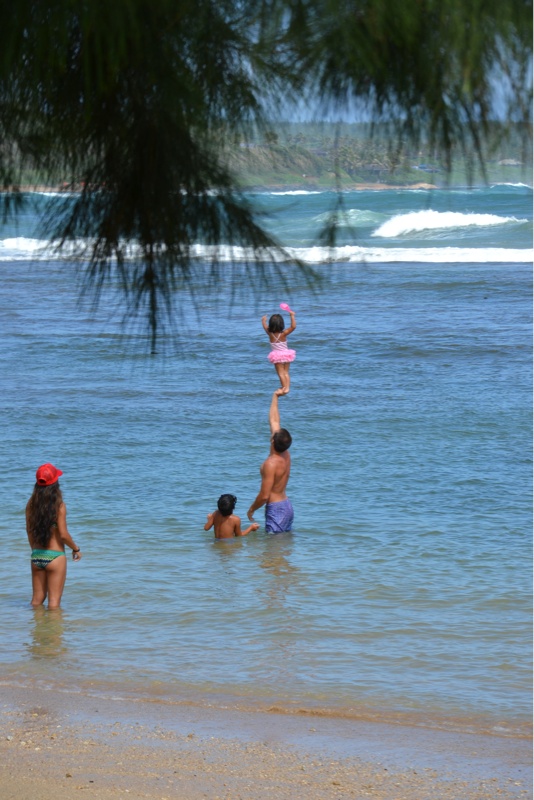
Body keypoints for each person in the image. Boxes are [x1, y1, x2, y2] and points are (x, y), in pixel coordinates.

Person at [25, 463, 82, 608]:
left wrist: (35, 551)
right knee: (54, 603)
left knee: (37, 600)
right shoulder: (59, 506)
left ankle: (34, 623)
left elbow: (29, 531)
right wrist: (75, 548)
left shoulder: (30, 504)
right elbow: (63, 534)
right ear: (55, 483)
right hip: (55, 557)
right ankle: (53, 624)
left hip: (36, 556)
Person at [247, 390, 294, 533]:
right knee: (282, 544)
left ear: (272, 440)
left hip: (276, 509)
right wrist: (275, 396)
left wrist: (251, 509)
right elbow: (274, 420)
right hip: (286, 506)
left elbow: (264, 495)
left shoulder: (271, 464)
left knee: (274, 546)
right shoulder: (285, 453)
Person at [262, 309, 296, 394]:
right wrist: (292, 316)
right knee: (286, 372)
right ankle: (287, 388)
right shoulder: (284, 333)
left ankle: (283, 387)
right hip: (286, 354)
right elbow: (293, 327)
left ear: (270, 324)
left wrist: (263, 321)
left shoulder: (270, 334)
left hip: (276, 356)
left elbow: (265, 327)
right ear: (282, 324)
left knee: (280, 373)